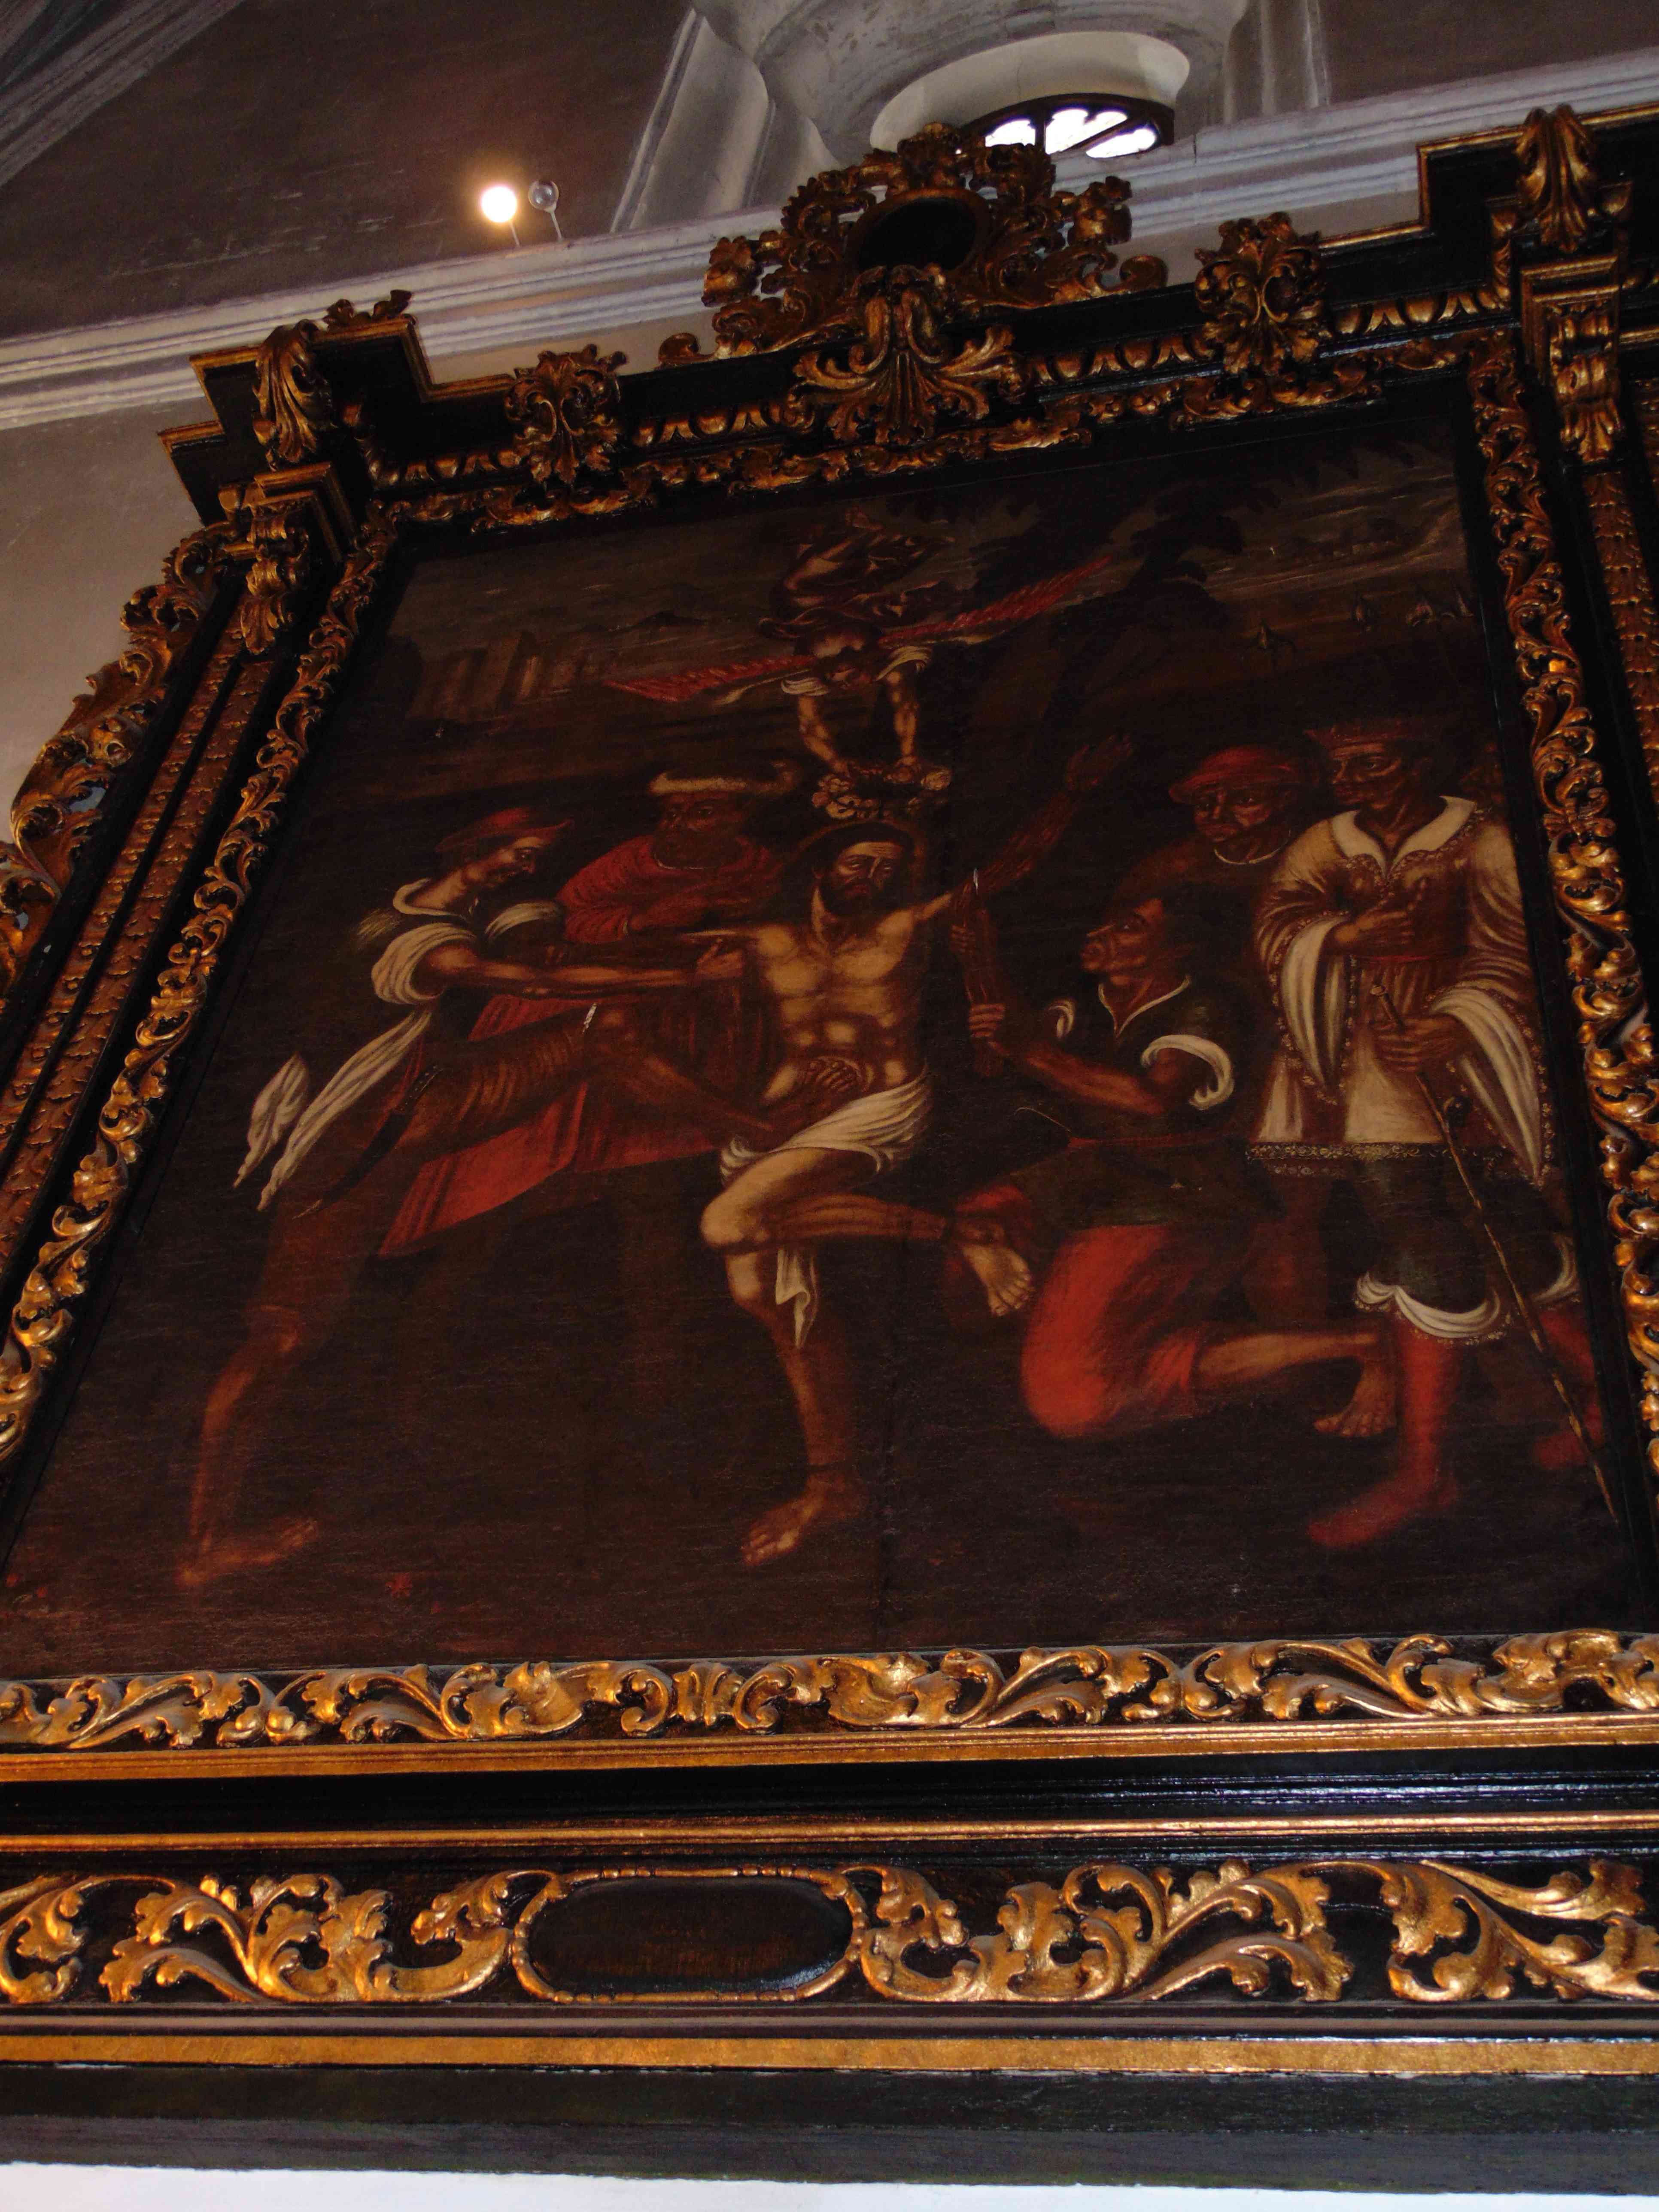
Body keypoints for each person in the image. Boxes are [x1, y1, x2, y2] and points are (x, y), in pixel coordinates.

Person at [188, 808, 797, 1587]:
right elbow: (534, 979)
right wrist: (688, 978)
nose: (523, 865)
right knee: (282, 1336)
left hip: (427, 1090)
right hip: (373, 1129)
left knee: (605, 1027)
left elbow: (545, 950)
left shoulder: (463, 911)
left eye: (534, 856)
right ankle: (204, 1541)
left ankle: (749, 1127)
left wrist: (644, 932)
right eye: (517, 852)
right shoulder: (412, 937)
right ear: (471, 845)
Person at [696, 744, 1121, 1568]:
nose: (870, 879)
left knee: (727, 1222)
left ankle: (961, 1232)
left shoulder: (900, 930)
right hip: (783, 1120)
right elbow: (637, 960)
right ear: (821, 865)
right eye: (858, 864)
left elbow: (1004, 871)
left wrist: (1067, 792)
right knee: (769, 1299)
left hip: (877, 1106)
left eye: (885, 870)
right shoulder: (760, 940)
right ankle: (834, 1482)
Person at [1252, 717, 1598, 1546]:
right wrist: (1344, 936)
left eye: (1367, 763)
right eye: (1338, 767)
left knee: (1510, 1236)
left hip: (1472, 1061)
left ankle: (1610, 1402)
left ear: (1415, 762)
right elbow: (1274, 925)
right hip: (1369, 1067)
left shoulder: (1480, 839)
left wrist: (1455, 1021)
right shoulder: (1324, 843)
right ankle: (1422, 1470)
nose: (1348, 781)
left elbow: (1523, 947)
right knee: (1420, 1242)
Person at [942, 889, 1392, 1446]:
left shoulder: (1205, 1008)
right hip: (1089, 1176)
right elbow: (1007, 1048)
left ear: (1178, 949)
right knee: (970, 1227)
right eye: (1106, 923)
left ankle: (1361, 1342)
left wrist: (1030, 1052)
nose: (1100, 934)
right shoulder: (1084, 1004)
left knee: (1073, 1403)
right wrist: (981, 963)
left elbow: (1154, 1098)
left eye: (1128, 927)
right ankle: (1083, 1326)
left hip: (1175, 1190)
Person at [380, 764, 794, 1250]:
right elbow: (558, 946)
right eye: (672, 813)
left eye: (700, 813)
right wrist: (644, 925)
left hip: (685, 1008)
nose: (678, 825)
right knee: (573, 1103)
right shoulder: (629, 861)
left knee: (652, 1164)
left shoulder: (757, 864)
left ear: (740, 816)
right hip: (591, 997)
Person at [1117, 740, 1327, 1324]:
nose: (1218, 815)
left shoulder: (1320, 857)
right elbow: (1120, 955)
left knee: (1288, 1210)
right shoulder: (1169, 869)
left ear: (1286, 799)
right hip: (1205, 1052)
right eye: (1206, 802)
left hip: (1301, 1047)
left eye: (1244, 799)